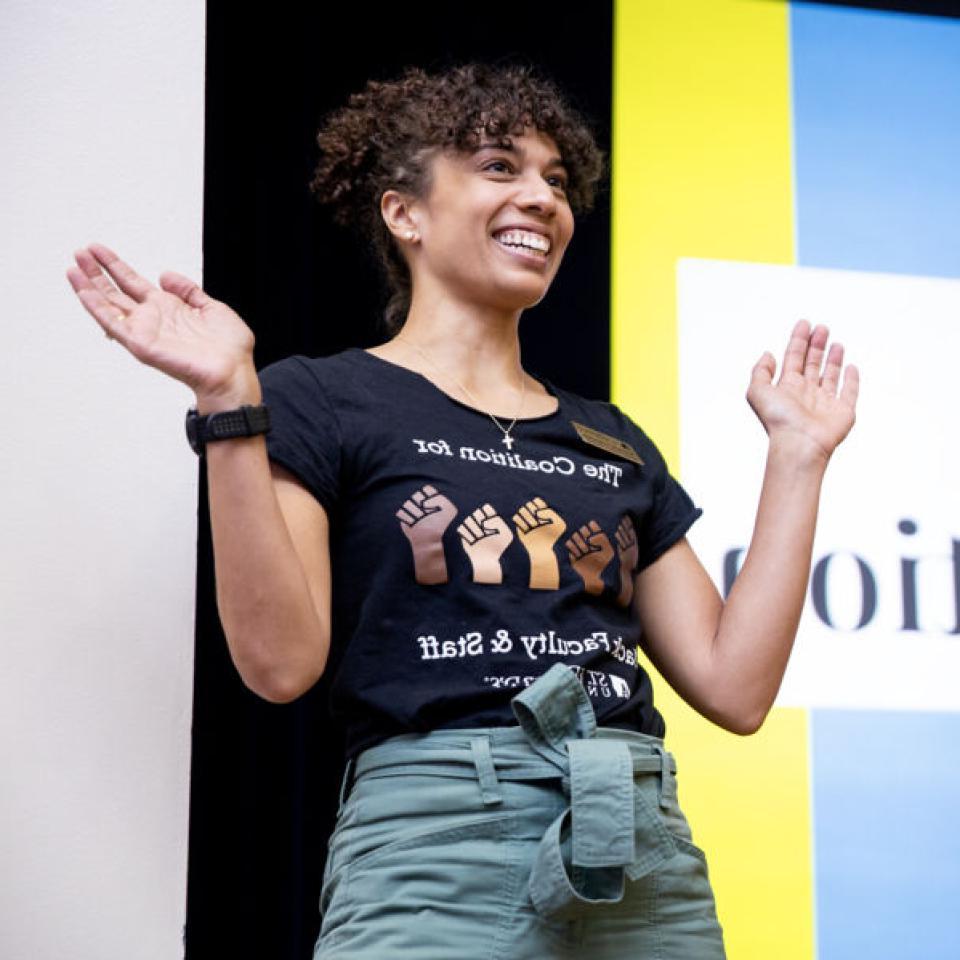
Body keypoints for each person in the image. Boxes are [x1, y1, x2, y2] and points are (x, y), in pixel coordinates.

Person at [66, 63, 858, 959]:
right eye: (499, 167)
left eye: (557, 180)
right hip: (435, 842)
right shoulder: (322, 398)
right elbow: (281, 664)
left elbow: (736, 688)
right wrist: (226, 400)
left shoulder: (614, 440)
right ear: (404, 213)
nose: (543, 198)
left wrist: (798, 458)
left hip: (642, 847)